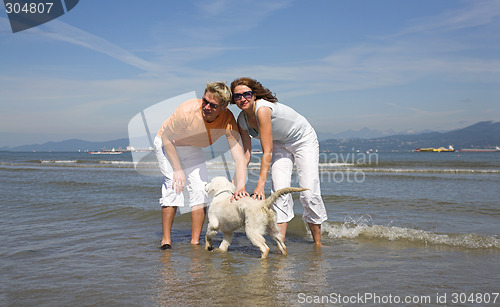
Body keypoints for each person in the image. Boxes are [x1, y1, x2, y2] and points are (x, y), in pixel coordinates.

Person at [230, 77, 327, 245]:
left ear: (254, 95)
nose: (242, 99)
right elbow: (246, 155)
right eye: (237, 96)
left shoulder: (262, 109)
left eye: (246, 94)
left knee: (309, 192)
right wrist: (236, 185)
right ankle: (280, 246)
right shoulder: (242, 120)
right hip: (279, 143)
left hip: (303, 140)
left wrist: (260, 186)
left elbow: (266, 151)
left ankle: (317, 244)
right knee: (280, 192)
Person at [154, 81, 249, 250]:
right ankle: (166, 240)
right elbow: (166, 139)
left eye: (213, 105)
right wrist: (177, 169)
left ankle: (195, 242)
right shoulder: (186, 110)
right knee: (173, 185)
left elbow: (239, 158)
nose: (206, 107)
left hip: (191, 146)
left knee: (200, 189)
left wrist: (239, 186)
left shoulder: (227, 120)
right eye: (204, 101)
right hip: (167, 143)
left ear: (223, 107)